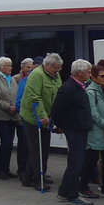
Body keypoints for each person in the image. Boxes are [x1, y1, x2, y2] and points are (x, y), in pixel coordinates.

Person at [51, 59, 94, 205]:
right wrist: (61, 125)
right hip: (74, 129)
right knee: (76, 163)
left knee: (75, 162)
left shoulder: (79, 86)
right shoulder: (68, 88)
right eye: (88, 72)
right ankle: (72, 194)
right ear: (80, 72)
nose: (90, 74)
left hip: (81, 128)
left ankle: (64, 190)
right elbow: (57, 110)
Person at [19, 53, 62, 190]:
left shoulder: (55, 75)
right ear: (47, 65)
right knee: (36, 149)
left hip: (48, 116)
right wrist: (43, 116)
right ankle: (36, 179)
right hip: (32, 116)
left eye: (59, 68)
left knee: (45, 148)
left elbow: (58, 94)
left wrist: (55, 117)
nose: (58, 71)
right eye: (55, 68)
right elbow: (35, 97)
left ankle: (31, 175)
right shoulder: (36, 75)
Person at [82, 62, 104, 199]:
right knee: (91, 160)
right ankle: (83, 186)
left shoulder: (103, 90)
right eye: (102, 76)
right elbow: (93, 113)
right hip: (96, 132)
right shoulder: (91, 92)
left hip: (103, 130)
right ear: (94, 77)